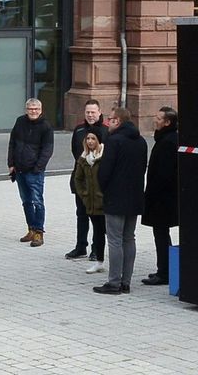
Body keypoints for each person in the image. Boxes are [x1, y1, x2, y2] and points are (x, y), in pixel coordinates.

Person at [94, 108, 148, 295]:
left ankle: (114, 282)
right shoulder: (141, 141)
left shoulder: (114, 141)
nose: (107, 123)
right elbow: (142, 168)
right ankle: (126, 281)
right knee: (129, 238)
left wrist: (104, 188)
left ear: (118, 121)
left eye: (110, 120)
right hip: (134, 196)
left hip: (116, 197)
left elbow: (105, 171)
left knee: (115, 240)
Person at [67, 99, 109, 259]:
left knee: (98, 218)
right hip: (81, 181)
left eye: (93, 112)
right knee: (81, 214)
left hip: (98, 183)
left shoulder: (106, 131)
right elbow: (75, 152)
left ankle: (96, 249)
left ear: (99, 112)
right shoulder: (78, 130)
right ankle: (80, 246)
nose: (90, 115)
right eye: (87, 112)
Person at [141, 107, 179, 286]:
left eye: (158, 118)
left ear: (167, 122)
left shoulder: (168, 142)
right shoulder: (165, 139)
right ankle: (163, 269)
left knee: (161, 233)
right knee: (161, 233)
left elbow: (164, 175)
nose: (154, 120)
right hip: (163, 198)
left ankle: (164, 272)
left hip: (163, 199)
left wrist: (152, 194)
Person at [8, 97, 53, 246]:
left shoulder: (46, 126)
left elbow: (47, 150)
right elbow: (12, 143)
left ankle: (39, 232)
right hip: (19, 170)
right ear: (26, 110)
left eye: (36, 109)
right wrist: (11, 163)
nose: (33, 111)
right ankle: (31, 229)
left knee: (37, 202)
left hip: (34, 171)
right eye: (30, 109)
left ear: (41, 110)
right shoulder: (20, 121)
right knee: (26, 202)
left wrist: (38, 168)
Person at [72, 131, 106, 275]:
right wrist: (84, 195)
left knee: (110, 233)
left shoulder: (105, 156)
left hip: (105, 202)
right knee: (98, 232)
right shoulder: (83, 158)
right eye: (88, 139)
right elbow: (78, 179)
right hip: (91, 203)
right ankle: (99, 261)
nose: (90, 141)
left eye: (93, 138)